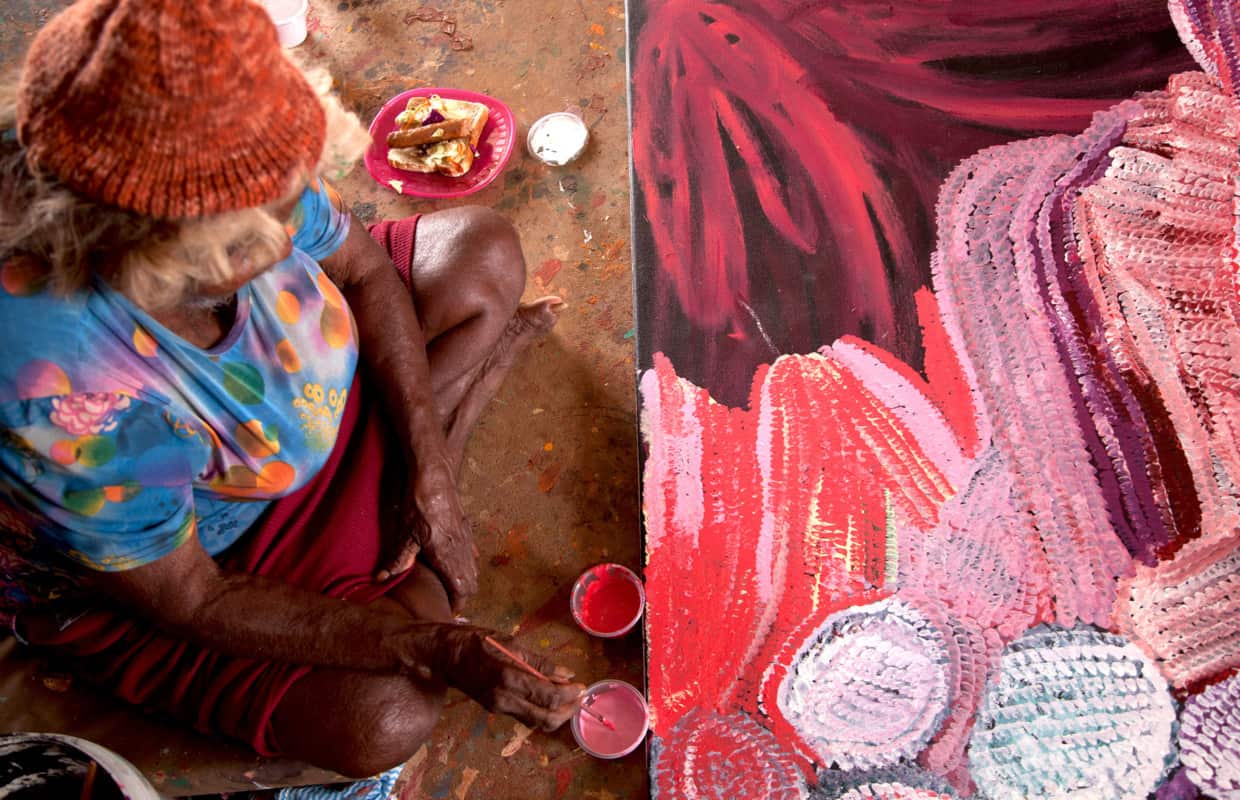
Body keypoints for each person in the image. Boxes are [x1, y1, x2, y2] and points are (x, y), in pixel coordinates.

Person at [0, 0, 583, 777]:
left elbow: (364, 270)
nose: (291, 239)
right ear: (157, 256)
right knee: (385, 716)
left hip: (307, 411)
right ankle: (446, 427)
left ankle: (431, 449)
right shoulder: (60, 393)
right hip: (224, 547)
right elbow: (191, 599)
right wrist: (430, 646)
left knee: (482, 255)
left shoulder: (216, 145)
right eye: (254, 236)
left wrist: (430, 471)